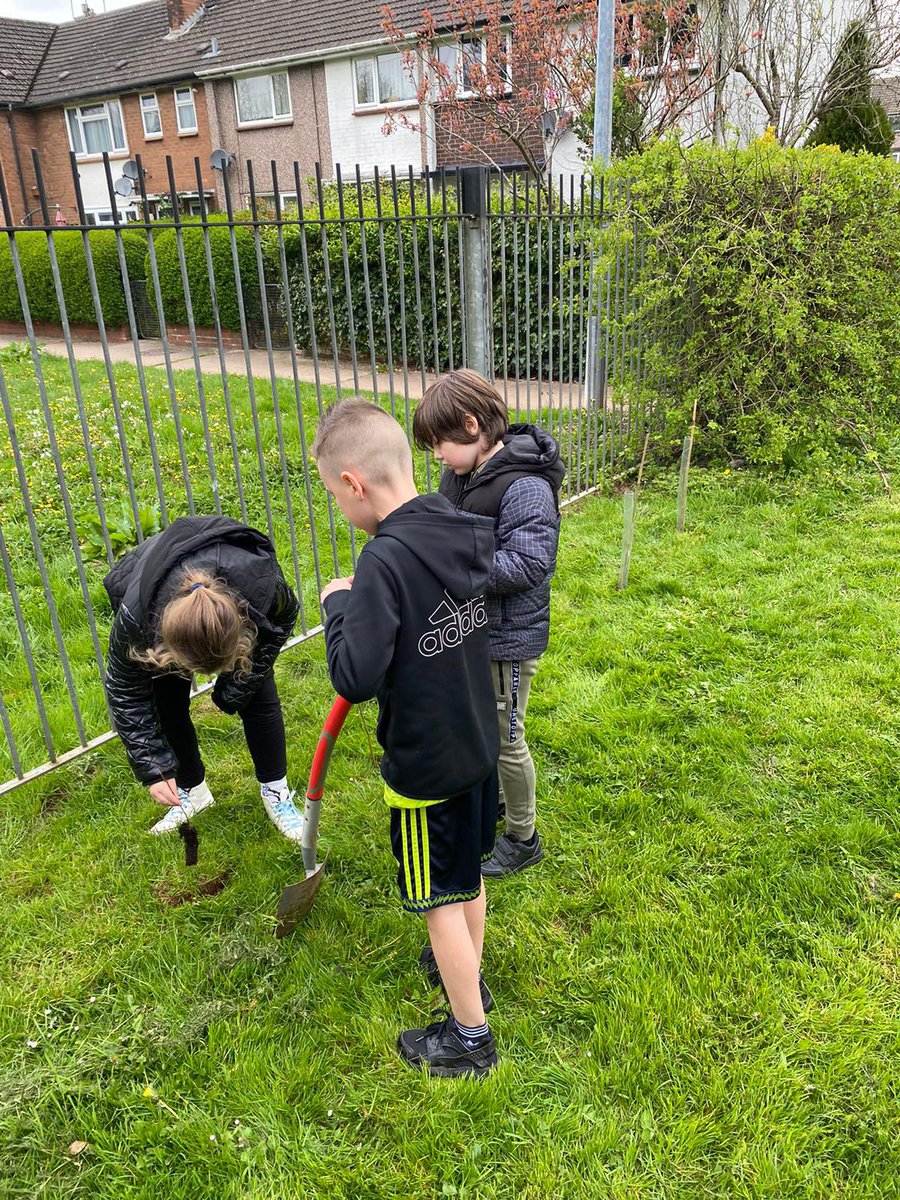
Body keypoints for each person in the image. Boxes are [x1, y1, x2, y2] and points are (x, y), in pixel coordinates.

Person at [313, 399, 500, 1078]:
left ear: (354, 483)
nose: (341, 507)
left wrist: (340, 604)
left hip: (426, 770)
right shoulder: (456, 521)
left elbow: (355, 675)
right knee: (467, 875)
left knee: (438, 899)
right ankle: (469, 977)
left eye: (335, 495)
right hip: (477, 744)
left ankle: (470, 1040)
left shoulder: (383, 563)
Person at [413, 369, 564, 877]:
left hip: (508, 640)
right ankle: (496, 800)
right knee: (483, 727)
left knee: (506, 737)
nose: (437, 455)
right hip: (472, 631)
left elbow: (529, 564)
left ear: (472, 426)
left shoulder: (525, 487)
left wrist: (456, 566)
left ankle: (523, 837)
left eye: (440, 443)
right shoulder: (459, 476)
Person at [103, 515, 305, 839]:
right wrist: (154, 766)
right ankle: (192, 791)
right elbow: (124, 688)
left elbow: (283, 619)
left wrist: (239, 685)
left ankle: (275, 792)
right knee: (166, 702)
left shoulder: (262, 586)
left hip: (232, 583)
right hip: (153, 585)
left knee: (257, 693)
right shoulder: (138, 619)